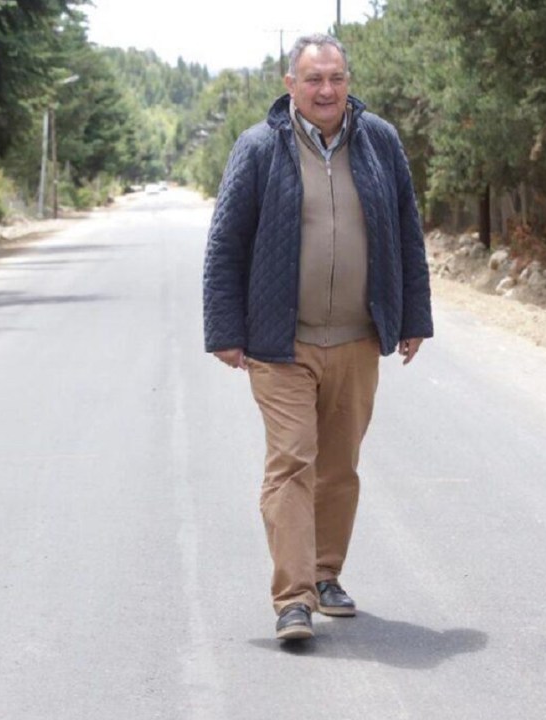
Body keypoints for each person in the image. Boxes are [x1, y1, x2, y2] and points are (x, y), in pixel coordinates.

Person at [202, 33, 433, 641]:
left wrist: (414, 317)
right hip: (281, 341)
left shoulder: (379, 141)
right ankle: (293, 599)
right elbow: (225, 243)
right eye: (313, 79)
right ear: (291, 85)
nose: (326, 90)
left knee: (339, 466)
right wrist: (225, 329)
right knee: (291, 463)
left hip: (357, 337)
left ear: (348, 81)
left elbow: (406, 230)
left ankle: (326, 575)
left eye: (335, 78)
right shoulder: (259, 147)